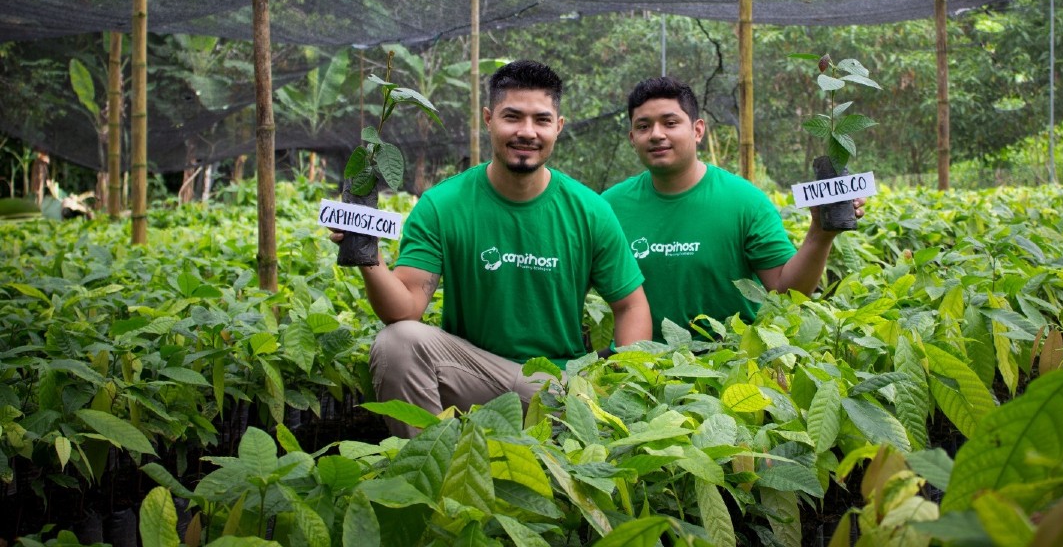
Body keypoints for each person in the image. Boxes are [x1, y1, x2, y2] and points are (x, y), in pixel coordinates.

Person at [334, 60, 652, 437]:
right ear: (488, 119)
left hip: (553, 388)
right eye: (512, 117)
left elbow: (631, 304)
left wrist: (617, 383)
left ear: (559, 127)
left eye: (541, 120)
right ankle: (434, 470)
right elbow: (404, 309)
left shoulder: (590, 211)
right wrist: (368, 255)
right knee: (397, 343)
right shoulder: (443, 204)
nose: (527, 132)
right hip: (473, 376)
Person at [602, 76, 863, 342]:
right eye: (644, 126)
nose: (657, 134)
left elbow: (786, 292)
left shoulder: (745, 201)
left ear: (697, 130)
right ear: (633, 138)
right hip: (640, 369)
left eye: (670, 123)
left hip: (728, 363)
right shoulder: (608, 207)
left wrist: (820, 234)